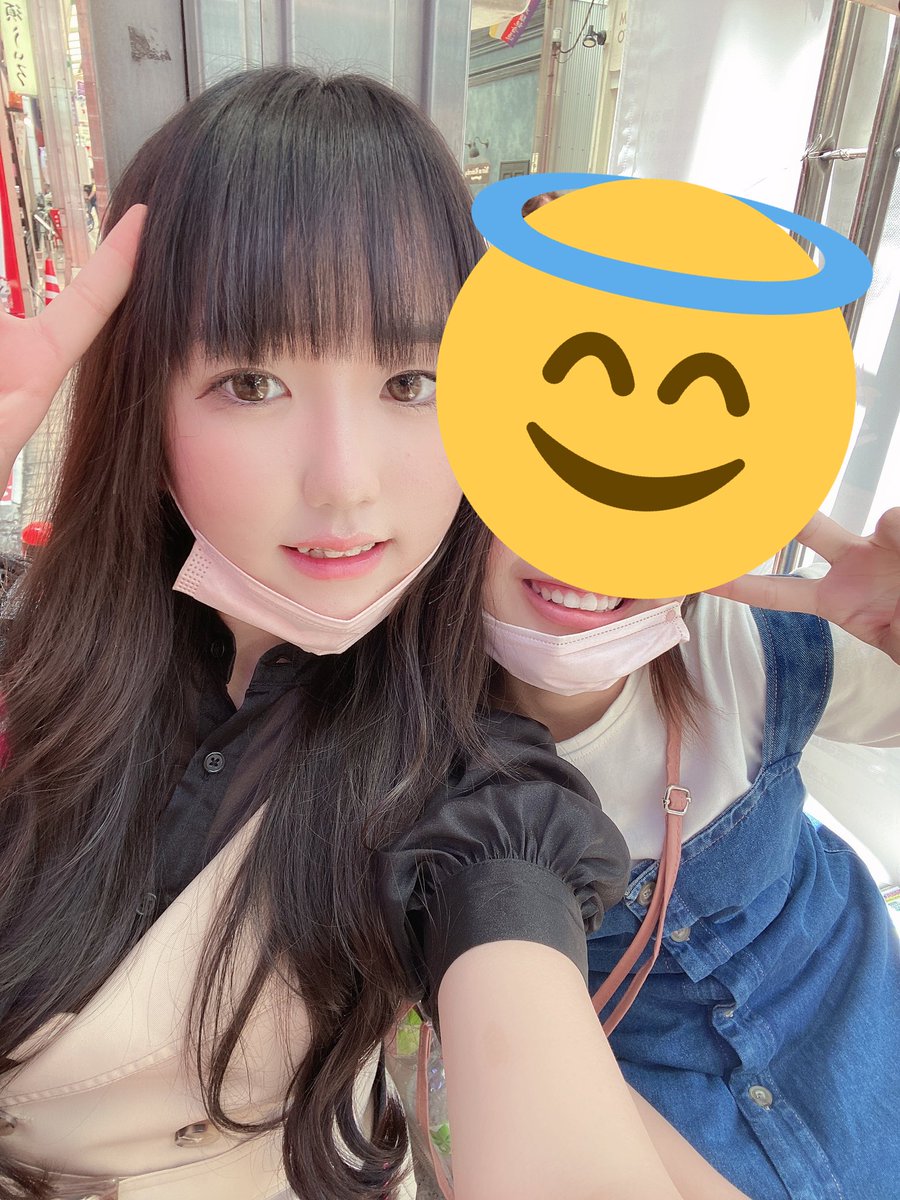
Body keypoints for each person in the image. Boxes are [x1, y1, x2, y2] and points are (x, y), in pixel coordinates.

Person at [0, 66, 737, 1200]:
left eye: (412, 381)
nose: (344, 483)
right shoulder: (31, 653)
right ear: (142, 403)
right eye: (252, 382)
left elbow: (545, 1092)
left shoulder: (469, 791)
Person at [483, 515, 900, 1200]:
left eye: (642, 498)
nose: (589, 541)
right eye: (538, 490)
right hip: (651, 1128)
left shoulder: (757, 645)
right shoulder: (401, 777)